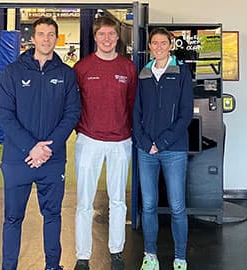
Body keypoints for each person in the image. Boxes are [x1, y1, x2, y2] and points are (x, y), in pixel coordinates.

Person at [0, 17, 81, 270]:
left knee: (53, 215)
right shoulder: (12, 72)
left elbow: (72, 114)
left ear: (56, 38)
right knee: (13, 218)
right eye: (41, 34)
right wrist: (31, 147)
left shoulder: (66, 75)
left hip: (51, 161)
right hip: (17, 159)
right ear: (32, 38)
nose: (46, 39)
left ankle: (53, 266)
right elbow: (4, 113)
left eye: (51, 34)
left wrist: (48, 148)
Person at [72, 16, 137, 270]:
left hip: (120, 141)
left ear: (117, 37)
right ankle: (83, 255)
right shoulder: (82, 68)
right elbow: (73, 104)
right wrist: (82, 130)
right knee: (84, 201)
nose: (107, 39)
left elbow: (131, 103)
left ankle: (116, 252)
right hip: (89, 140)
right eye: (102, 35)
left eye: (111, 34)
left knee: (118, 199)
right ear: (95, 37)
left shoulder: (128, 68)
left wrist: (127, 131)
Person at [133, 27, 194, 270]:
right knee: (148, 205)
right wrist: (146, 142)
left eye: (163, 43)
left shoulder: (181, 72)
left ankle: (180, 257)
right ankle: (150, 256)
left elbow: (185, 114)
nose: (158, 47)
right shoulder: (144, 74)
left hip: (174, 149)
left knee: (177, 206)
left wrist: (164, 142)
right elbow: (136, 112)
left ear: (170, 45)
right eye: (154, 43)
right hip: (146, 150)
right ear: (150, 47)